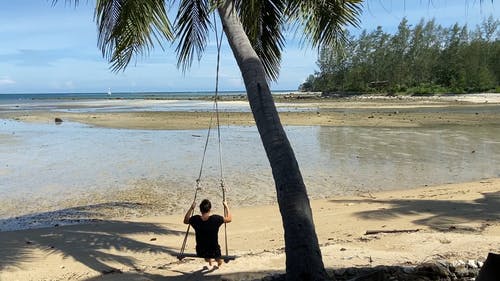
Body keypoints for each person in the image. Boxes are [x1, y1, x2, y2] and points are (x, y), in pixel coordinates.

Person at [183, 199, 232, 267]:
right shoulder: (215, 219)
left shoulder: (196, 219)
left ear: (200, 210)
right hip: (214, 251)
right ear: (210, 209)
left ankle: (209, 261)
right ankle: (218, 262)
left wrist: (191, 208)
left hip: (201, 251)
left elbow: (185, 220)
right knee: (218, 258)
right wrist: (226, 206)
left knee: (206, 257)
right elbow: (229, 219)